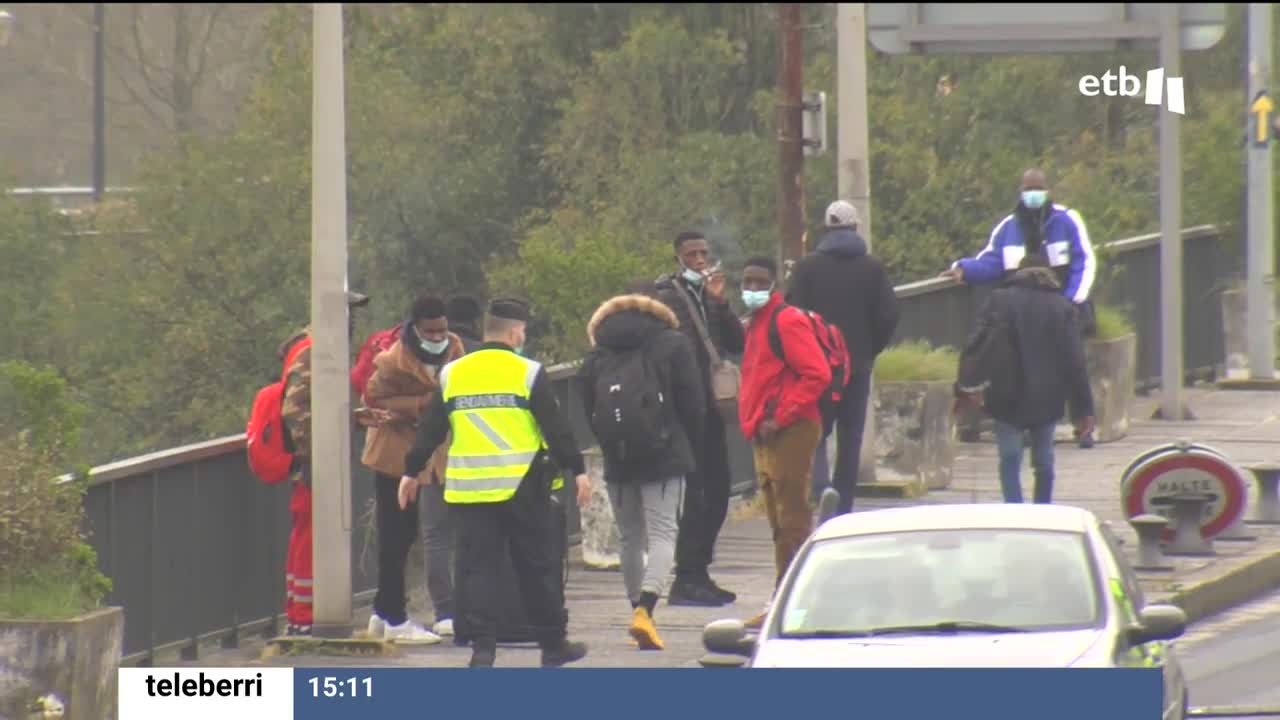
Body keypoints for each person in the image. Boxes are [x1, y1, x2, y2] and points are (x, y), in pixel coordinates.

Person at [398, 298, 591, 668]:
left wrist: (411, 471)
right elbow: (556, 427)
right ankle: (552, 645)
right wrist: (577, 469)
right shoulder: (528, 372)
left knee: (476, 568)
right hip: (521, 485)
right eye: (523, 331)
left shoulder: (452, 374)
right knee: (536, 566)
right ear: (515, 331)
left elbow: (431, 429)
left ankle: (482, 648)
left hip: (469, 488)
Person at [579, 290, 706, 650]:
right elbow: (692, 402)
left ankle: (637, 608)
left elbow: (587, 405)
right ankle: (646, 613)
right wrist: (688, 446)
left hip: (618, 455)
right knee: (664, 532)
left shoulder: (598, 352)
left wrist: (610, 444)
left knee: (630, 537)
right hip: (665, 452)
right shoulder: (673, 343)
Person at [939, 167, 1099, 447]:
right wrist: (963, 269)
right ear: (1021, 192)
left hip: (1061, 309)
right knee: (1019, 365)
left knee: (1074, 364)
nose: (1033, 195)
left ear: (1047, 191)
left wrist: (1072, 300)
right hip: (1020, 310)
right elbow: (991, 263)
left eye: (1037, 189)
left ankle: (1083, 421)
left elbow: (1084, 262)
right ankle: (1027, 425)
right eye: (1028, 189)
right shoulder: (1008, 228)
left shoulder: (1067, 220)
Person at [360, 294, 465, 644]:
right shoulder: (393, 360)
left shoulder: (455, 349)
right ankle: (394, 616)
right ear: (416, 329)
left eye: (442, 331)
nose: (438, 338)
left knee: (414, 533)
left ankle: (380, 612)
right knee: (396, 535)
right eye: (430, 332)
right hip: (394, 454)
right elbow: (372, 397)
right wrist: (421, 405)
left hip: (431, 453)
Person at [787, 200, 900, 517]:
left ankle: (822, 490)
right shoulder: (872, 268)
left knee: (817, 430)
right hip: (858, 365)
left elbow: (792, 315)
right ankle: (844, 506)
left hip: (816, 366)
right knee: (851, 437)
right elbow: (889, 315)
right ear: (855, 228)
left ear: (826, 228)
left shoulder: (807, 268)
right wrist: (868, 349)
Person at [954, 254, 1095, 505]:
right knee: (1044, 460)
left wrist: (966, 387)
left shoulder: (999, 300)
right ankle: (1042, 509)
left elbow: (975, 345)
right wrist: (1083, 409)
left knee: (1009, 458)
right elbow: (1075, 362)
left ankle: (1014, 509)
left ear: (1018, 273)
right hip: (1048, 395)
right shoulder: (1061, 306)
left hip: (1005, 394)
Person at [737, 256, 832, 627]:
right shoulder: (755, 324)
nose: (753, 289)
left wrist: (782, 416)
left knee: (792, 519)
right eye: (747, 281)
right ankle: (783, 599)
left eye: (760, 282)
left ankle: (795, 601)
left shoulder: (786, 320)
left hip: (790, 429)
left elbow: (817, 374)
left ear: (774, 284)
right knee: (778, 520)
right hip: (764, 431)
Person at [654, 230, 746, 607]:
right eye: (692, 254)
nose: (700, 260)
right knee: (697, 493)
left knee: (718, 489)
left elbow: (737, 343)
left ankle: (698, 570)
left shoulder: (710, 297)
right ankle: (687, 576)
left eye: (704, 253)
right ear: (678, 257)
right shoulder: (667, 298)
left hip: (710, 407)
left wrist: (719, 304)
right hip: (683, 409)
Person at [279, 290, 376, 636]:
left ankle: (299, 610)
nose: (353, 323)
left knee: (306, 533)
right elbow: (296, 411)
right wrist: (314, 456)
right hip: (312, 461)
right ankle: (304, 614)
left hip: (312, 458)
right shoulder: (312, 352)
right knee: (311, 534)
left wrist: (353, 418)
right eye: (348, 314)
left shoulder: (316, 348)